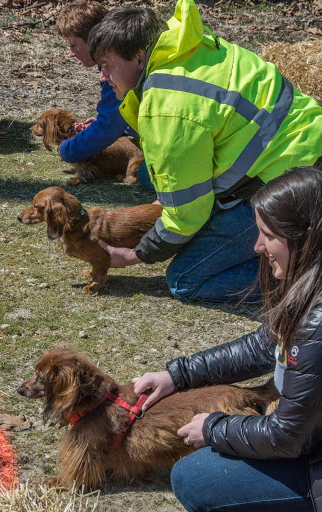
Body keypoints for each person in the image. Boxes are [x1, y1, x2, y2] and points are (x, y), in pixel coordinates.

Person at [88, 0, 322, 303]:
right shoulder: (189, 44)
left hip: (293, 186)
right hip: (304, 150)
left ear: (139, 57)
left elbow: (187, 216)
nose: (102, 77)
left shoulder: (167, 107)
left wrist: (136, 254)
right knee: (148, 176)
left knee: (185, 280)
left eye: (107, 66)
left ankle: (311, 277)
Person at [132, 166, 322, 512]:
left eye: (268, 235)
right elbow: (266, 343)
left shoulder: (317, 322)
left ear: (305, 237)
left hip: (310, 456)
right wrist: (178, 375)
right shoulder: (310, 294)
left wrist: (216, 428)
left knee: (196, 477)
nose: (257, 245)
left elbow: (288, 436)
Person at [55, 0, 154, 191]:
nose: (70, 53)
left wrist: (67, 149)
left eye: (74, 45)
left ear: (92, 39)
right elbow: (118, 114)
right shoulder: (114, 61)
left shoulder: (117, 65)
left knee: (146, 176)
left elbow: (109, 125)